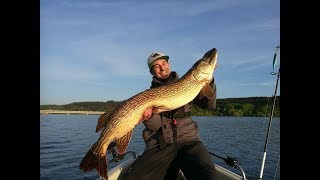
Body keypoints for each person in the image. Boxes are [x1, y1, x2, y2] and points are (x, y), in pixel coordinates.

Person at [120, 51, 217, 180]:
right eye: (156, 66)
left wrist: (209, 82)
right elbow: (156, 126)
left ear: (169, 64)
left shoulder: (192, 82)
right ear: (152, 72)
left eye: (164, 63)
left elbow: (209, 106)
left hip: (189, 142)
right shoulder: (149, 94)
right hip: (160, 145)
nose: (162, 67)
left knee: (208, 177)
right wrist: (148, 117)